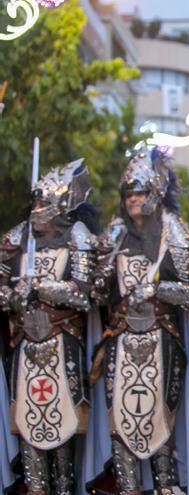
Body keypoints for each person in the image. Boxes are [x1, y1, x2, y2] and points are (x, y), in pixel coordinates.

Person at [90, 150, 189, 494]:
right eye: (129, 194)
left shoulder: (175, 234)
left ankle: (166, 484)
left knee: (160, 416)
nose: (134, 199)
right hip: (121, 341)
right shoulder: (115, 235)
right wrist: (103, 271)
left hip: (163, 337)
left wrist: (155, 288)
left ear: (154, 194)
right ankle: (128, 486)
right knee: (120, 418)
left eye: (139, 192)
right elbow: (96, 295)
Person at [0, 159, 96, 494]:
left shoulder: (77, 237)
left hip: (63, 342)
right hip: (25, 345)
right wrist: (14, 294)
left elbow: (85, 294)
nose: (38, 208)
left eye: (45, 202)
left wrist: (41, 287)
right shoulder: (17, 237)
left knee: (64, 427)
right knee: (28, 424)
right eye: (36, 201)